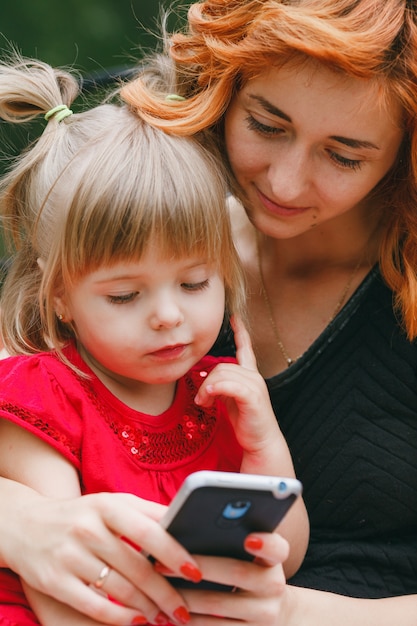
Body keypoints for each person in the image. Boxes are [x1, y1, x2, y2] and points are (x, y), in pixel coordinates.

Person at [1, 0, 416, 623]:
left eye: (344, 156)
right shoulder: (147, 223)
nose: (283, 182)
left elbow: (283, 548)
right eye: (267, 126)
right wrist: (23, 523)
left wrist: (281, 614)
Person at [0, 55, 308, 626]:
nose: (168, 316)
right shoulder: (43, 394)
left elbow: (281, 558)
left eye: (194, 282)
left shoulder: (213, 397)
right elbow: (59, 588)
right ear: (60, 294)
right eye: (125, 296)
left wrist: (263, 446)